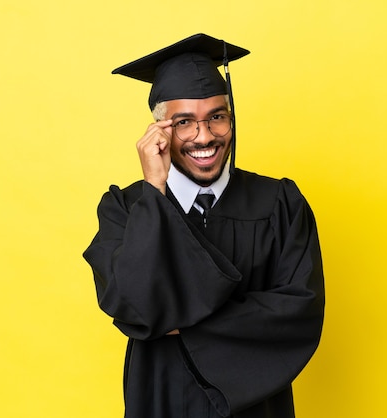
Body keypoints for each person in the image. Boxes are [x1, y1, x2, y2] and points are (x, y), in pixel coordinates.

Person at [83, 33, 325, 418]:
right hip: (161, 399)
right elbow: (131, 305)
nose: (205, 136)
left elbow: (299, 310)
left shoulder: (280, 203)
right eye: (184, 123)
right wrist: (153, 191)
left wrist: (185, 327)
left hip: (256, 407)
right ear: (159, 131)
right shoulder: (126, 208)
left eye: (217, 116)